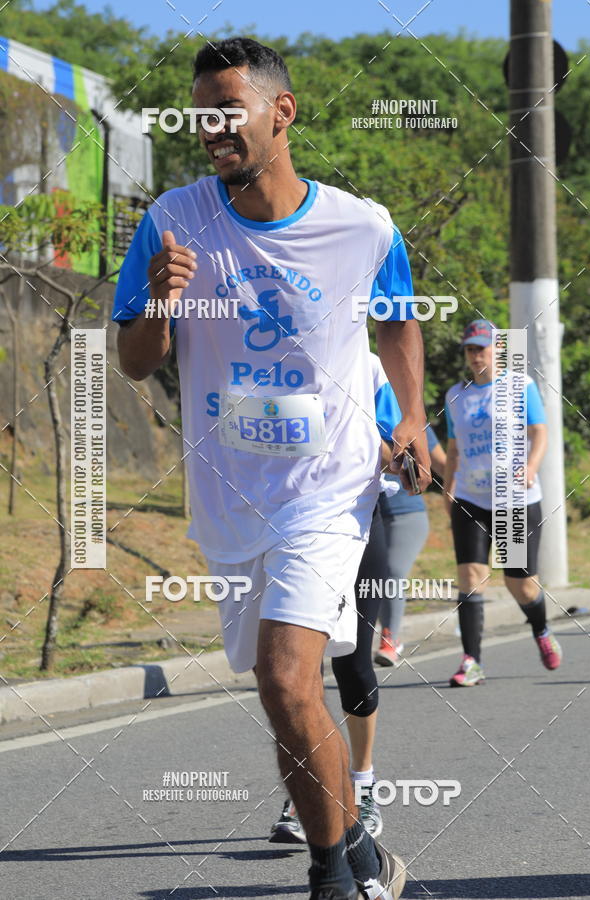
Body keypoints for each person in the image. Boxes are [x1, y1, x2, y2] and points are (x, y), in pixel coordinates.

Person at [113, 37, 431, 900]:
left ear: (280, 112)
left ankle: (334, 875)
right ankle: (361, 848)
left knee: (289, 675)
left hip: (328, 492)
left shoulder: (362, 225)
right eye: (202, 113)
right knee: (279, 694)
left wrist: (411, 417)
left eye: (229, 109)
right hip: (229, 496)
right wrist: (161, 305)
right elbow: (136, 362)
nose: (213, 127)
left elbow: (399, 321)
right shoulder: (170, 222)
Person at [270, 353, 415, 846]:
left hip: (356, 522)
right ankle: (310, 788)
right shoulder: (267, 358)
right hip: (291, 525)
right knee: (297, 671)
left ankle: (363, 783)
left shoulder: (368, 366)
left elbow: (405, 455)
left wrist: (384, 448)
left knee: (353, 662)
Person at [443, 319, 562, 687]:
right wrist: (448, 488)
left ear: (498, 350)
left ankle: (540, 628)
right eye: (470, 349)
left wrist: (530, 467)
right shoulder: (454, 396)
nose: (476, 355)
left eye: (482, 348)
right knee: (470, 578)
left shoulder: (519, 386)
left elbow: (539, 431)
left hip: (514, 497)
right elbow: (453, 447)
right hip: (471, 497)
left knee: (520, 585)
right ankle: (471, 662)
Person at [374, 426, 447, 667]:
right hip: (364, 515)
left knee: (392, 572)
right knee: (364, 580)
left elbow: (442, 464)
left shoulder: (409, 419)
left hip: (406, 516)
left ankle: (390, 640)